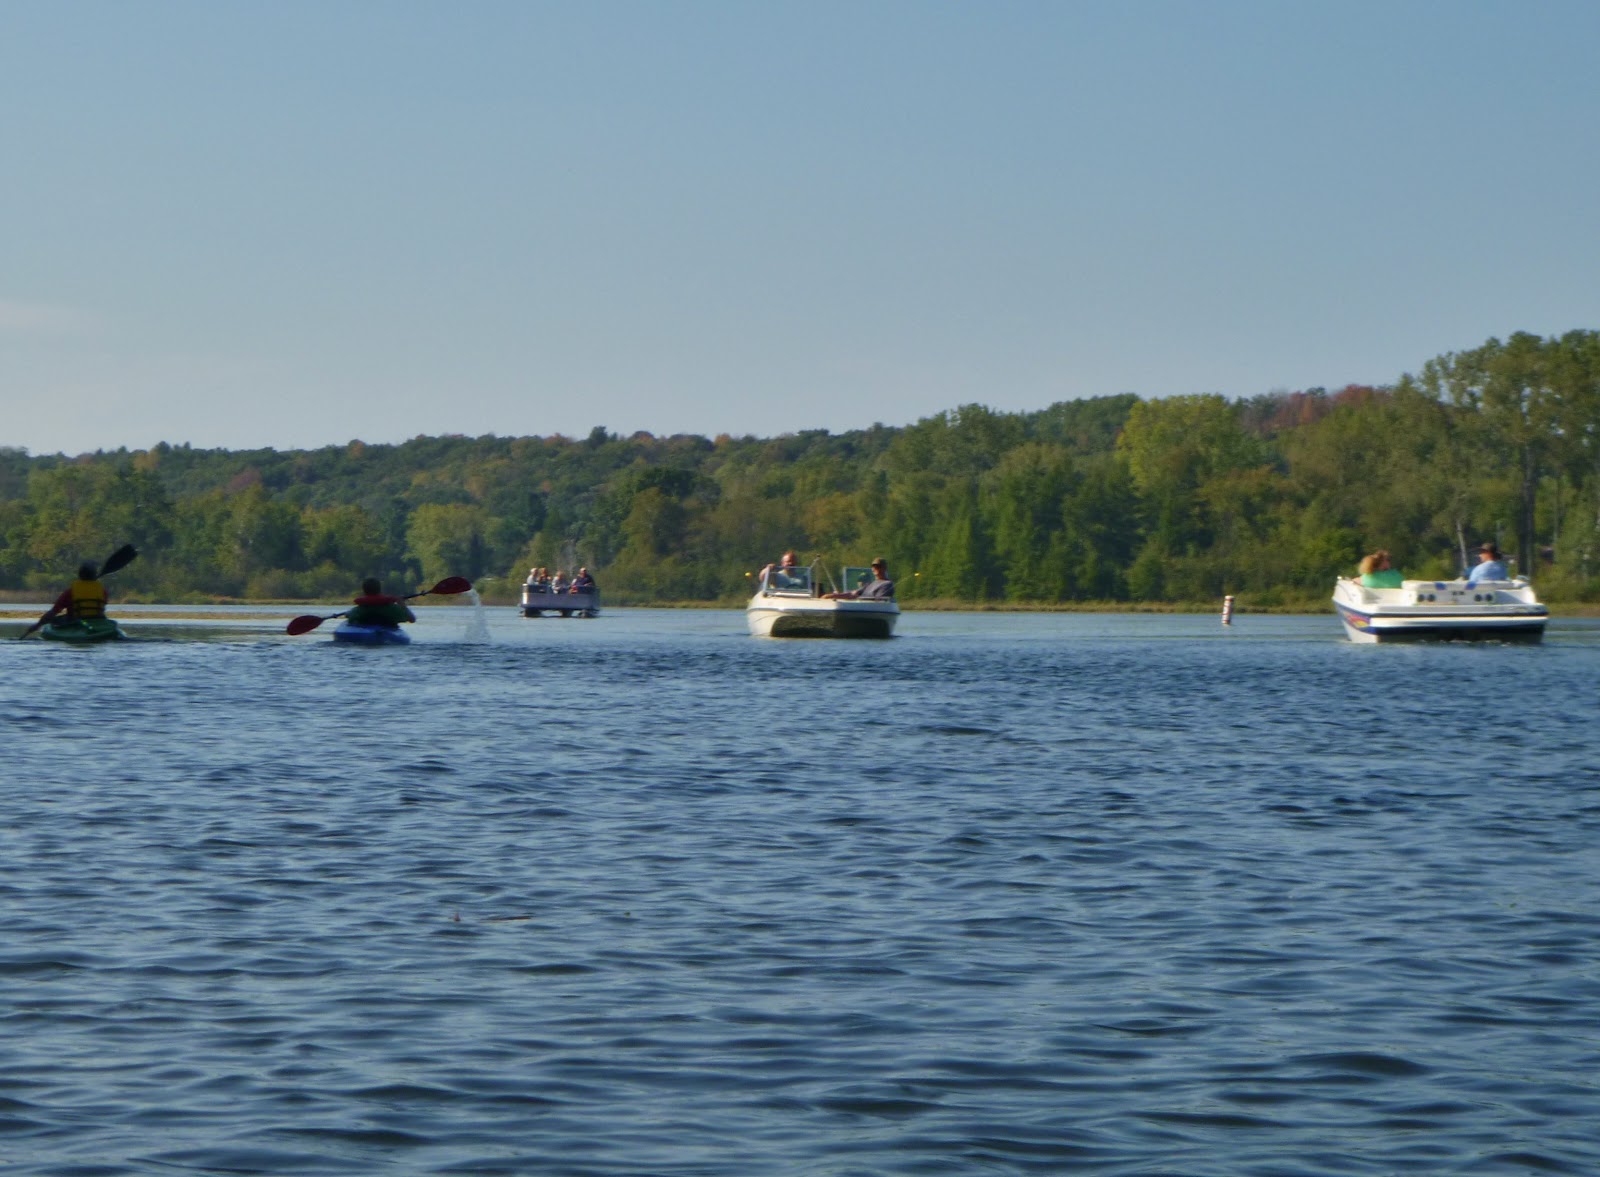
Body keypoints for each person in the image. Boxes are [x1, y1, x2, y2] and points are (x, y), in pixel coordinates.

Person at [346, 578, 416, 629]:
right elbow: (412, 619)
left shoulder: (358, 610)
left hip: (364, 633)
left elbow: (349, 616)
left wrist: (348, 613)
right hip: (386, 632)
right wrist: (402, 604)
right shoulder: (393, 609)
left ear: (364, 591)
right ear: (379, 590)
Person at [828, 558, 895, 600]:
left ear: (884, 568)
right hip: (859, 607)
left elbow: (879, 601)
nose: (876, 568)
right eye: (874, 566)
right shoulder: (869, 584)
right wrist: (835, 595)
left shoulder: (887, 584)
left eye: (878, 566)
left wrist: (856, 598)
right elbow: (853, 594)